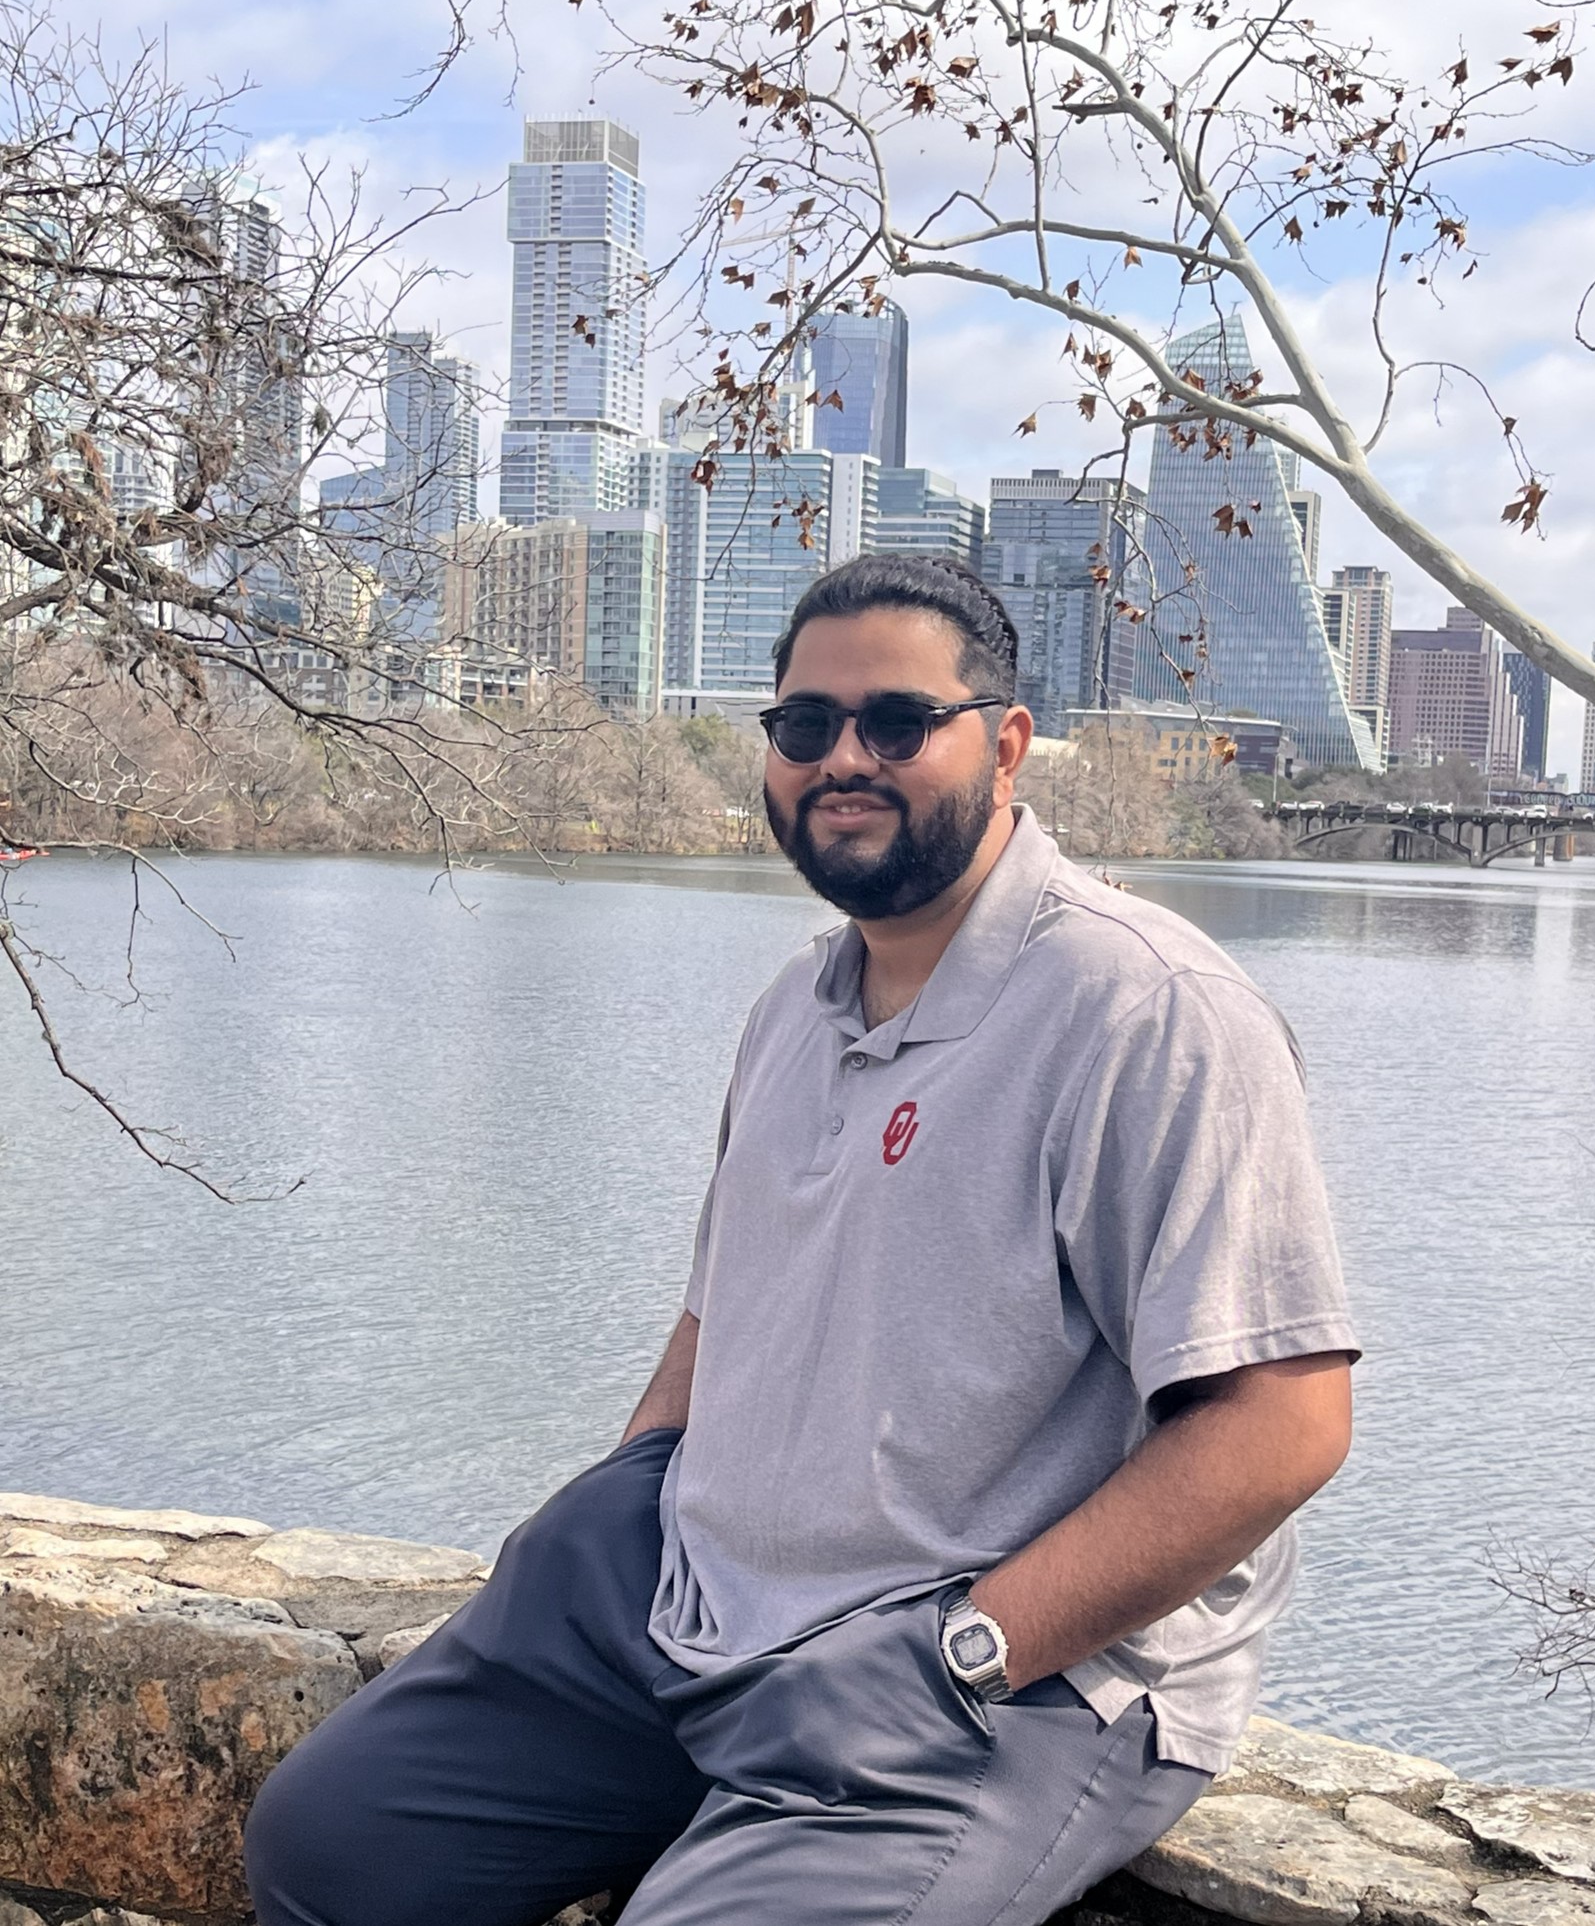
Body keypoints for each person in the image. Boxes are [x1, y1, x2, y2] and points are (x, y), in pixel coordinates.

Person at [247, 553, 1358, 1926]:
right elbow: (725, 1307)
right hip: (691, 1607)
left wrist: (967, 1649)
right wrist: (629, 1485)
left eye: (898, 722)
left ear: (1007, 742)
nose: (845, 757)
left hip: (992, 1680)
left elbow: (1282, 1423)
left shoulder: (1150, 1013)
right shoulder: (794, 1004)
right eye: (805, 725)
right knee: (328, 1848)